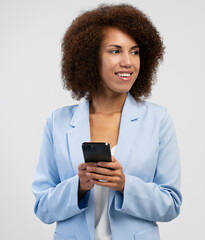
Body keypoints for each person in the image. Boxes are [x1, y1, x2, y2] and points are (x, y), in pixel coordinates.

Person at [32, 4, 182, 240]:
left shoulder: (158, 120)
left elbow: (171, 204)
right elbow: (42, 207)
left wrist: (124, 184)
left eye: (134, 51)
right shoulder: (58, 122)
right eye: (115, 51)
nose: (128, 62)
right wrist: (79, 186)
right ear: (90, 58)